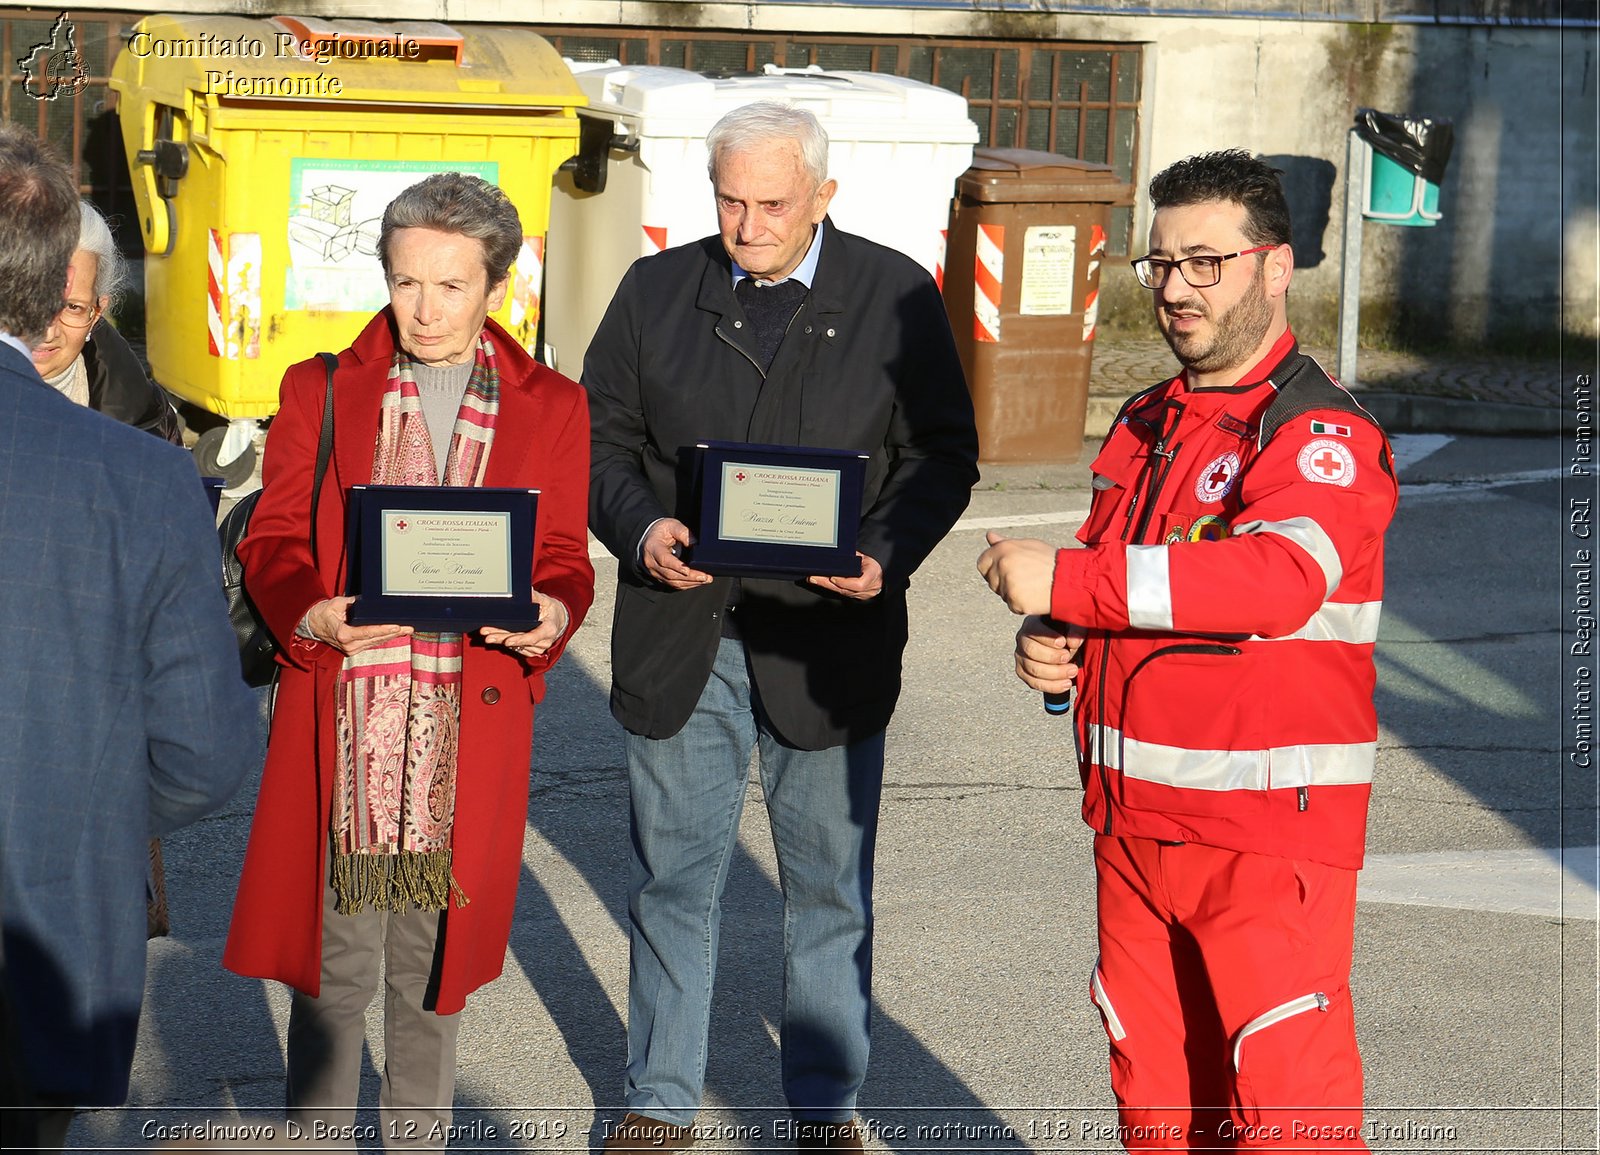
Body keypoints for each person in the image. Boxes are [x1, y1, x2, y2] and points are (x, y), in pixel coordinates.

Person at [977, 150, 1398, 1151]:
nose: (1175, 290)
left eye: (1205, 263)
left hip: (1260, 839)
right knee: (1157, 1110)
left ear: (1274, 266)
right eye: (1161, 265)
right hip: (1130, 830)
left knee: (1286, 1118)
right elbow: (1124, 591)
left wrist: (1069, 586)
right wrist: (1060, 640)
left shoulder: (1314, 431)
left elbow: (1278, 581)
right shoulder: (1146, 420)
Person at [583, 101, 979, 1150]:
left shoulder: (894, 293)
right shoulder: (656, 289)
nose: (747, 224)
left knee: (828, 897)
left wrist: (883, 554)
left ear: (823, 198)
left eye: (771, 203)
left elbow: (942, 453)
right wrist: (641, 526)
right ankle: (660, 1104)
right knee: (673, 884)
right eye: (728, 200)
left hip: (828, 642)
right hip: (684, 635)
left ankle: (824, 1112)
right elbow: (599, 438)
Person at [221, 172, 594, 1149]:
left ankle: (416, 1139)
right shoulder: (319, 388)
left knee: (428, 969)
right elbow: (270, 543)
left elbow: (557, 556)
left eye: (450, 286)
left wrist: (554, 608)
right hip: (344, 721)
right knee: (336, 965)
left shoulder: (551, 406)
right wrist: (313, 613)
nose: (424, 309)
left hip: (460, 736)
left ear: (497, 288)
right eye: (404, 283)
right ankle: (313, 1138)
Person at [0, 124, 258, 1152]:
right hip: (53, 945)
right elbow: (205, 754)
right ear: (50, 283)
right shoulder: (144, 482)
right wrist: (82, 803)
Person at [30, 199, 182, 444]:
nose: (48, 331)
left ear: (96, 315)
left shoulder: (148, 416)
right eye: (32, 300)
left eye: (73, 307)